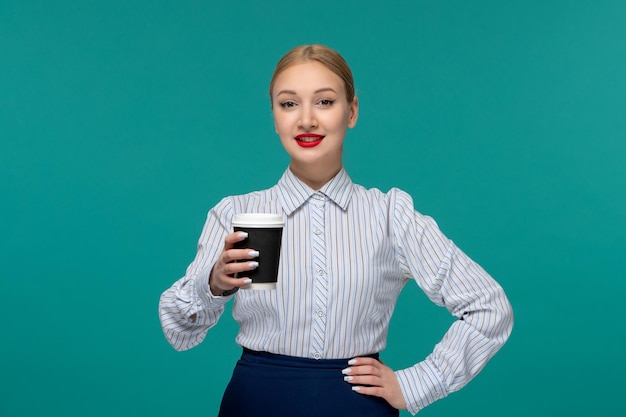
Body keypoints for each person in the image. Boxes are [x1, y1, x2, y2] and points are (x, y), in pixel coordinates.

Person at [159, 44, 513, 416]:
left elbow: (489, 306)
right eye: (289, 103)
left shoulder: (391, 215)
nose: (307, 120)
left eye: (325, 102)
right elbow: (178, 331)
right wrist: (213, 284)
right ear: (274, 117)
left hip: (357, 404)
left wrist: (417, 383)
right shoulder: (237, 212)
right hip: (255, 401)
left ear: (352, 111)